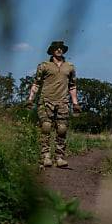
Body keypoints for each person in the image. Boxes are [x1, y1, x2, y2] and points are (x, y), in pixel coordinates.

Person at [28, 40, 80, 168]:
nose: (59, 50)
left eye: (61, 48)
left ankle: (59, 157)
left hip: (63, 102)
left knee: (62, 129)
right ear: (51, 50)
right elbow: (36, 83)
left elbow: (72, 86)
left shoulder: (70, 67)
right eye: (56, 48)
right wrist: (30, 99)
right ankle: (45, 156)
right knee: (46, 127)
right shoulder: (44, 65)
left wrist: (75, 103)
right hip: (46, 101)